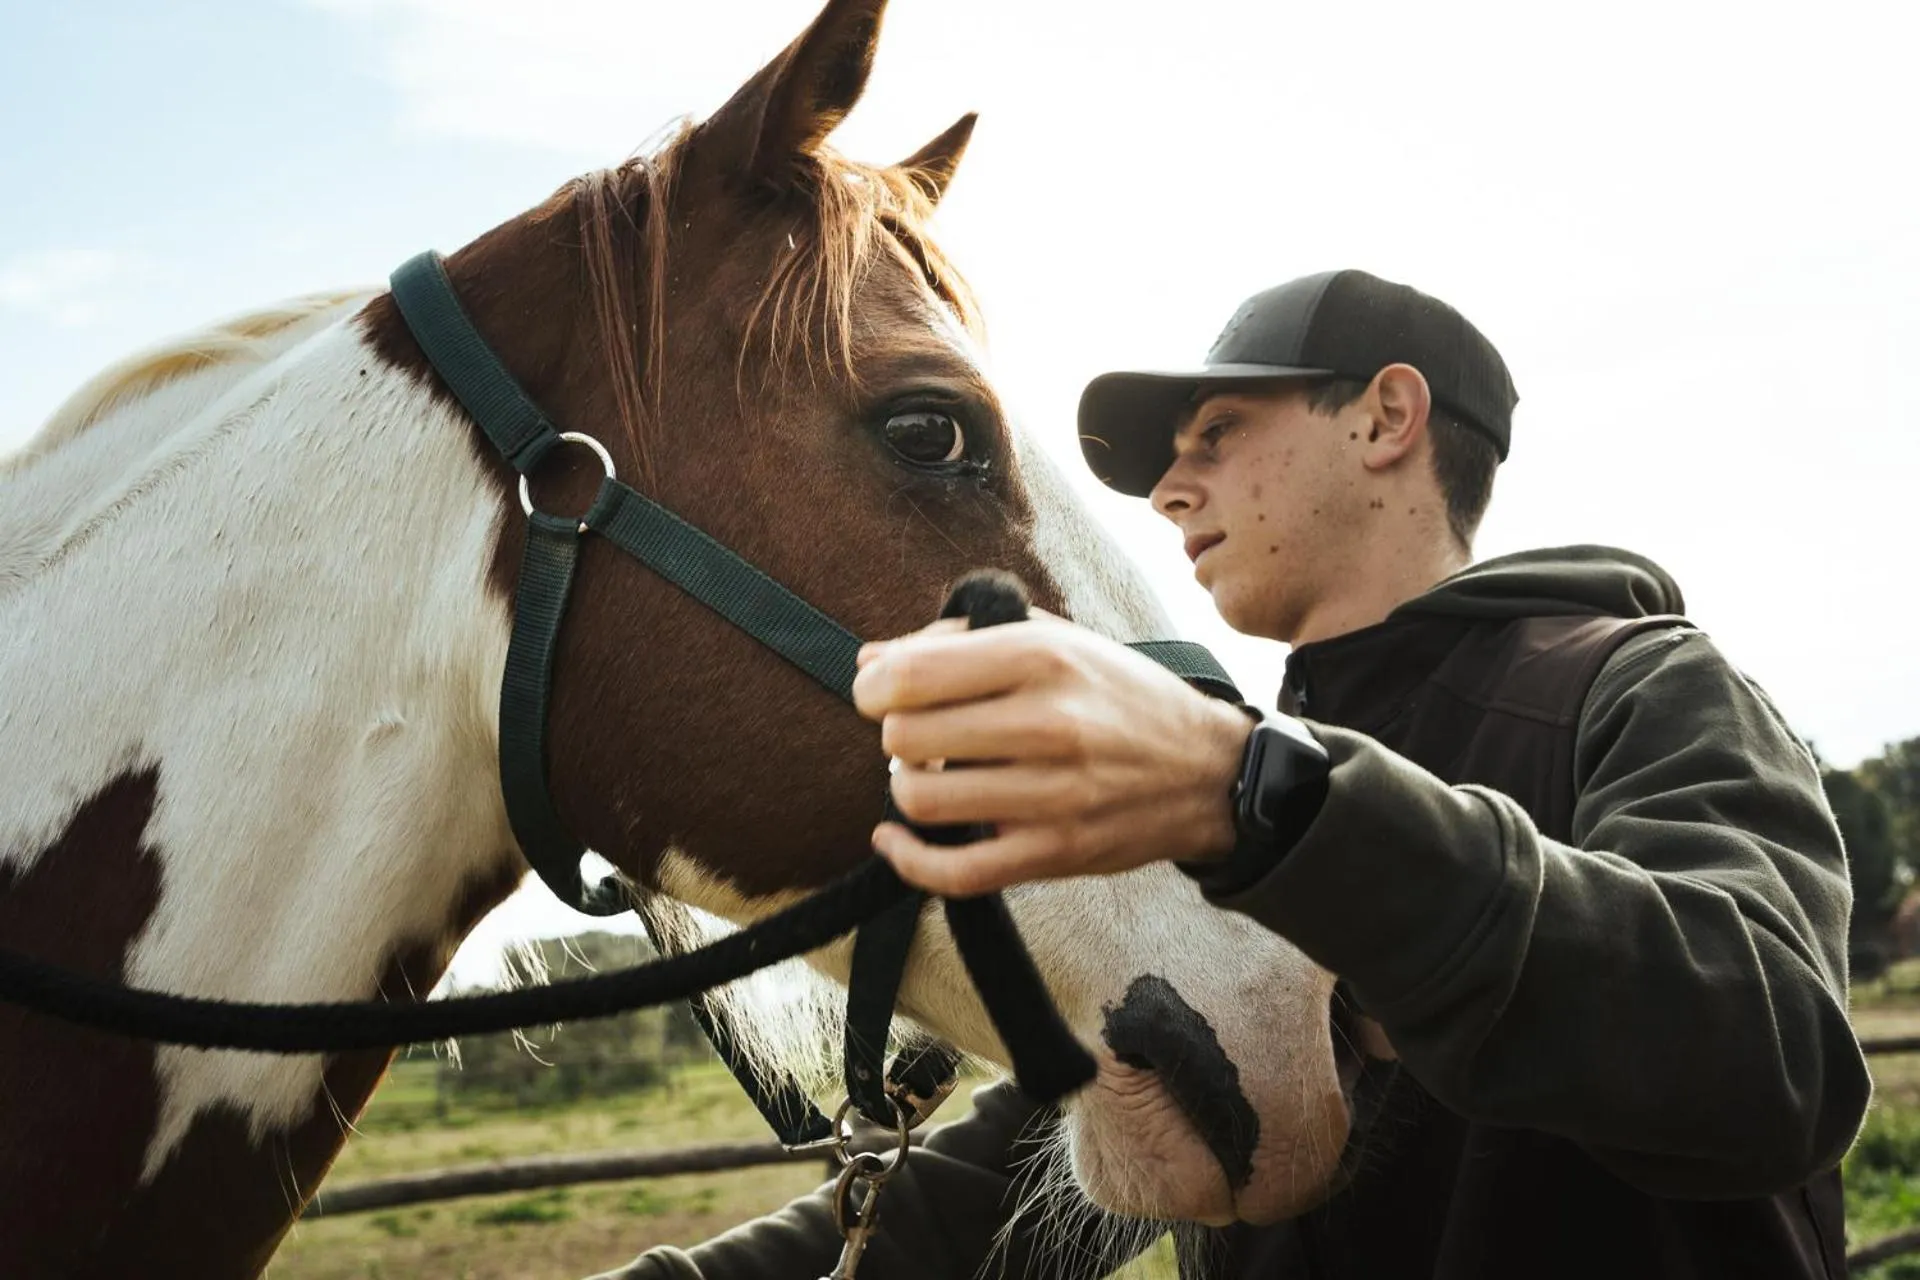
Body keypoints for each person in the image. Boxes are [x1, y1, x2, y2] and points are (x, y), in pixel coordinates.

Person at [599, 270, 1868, 1280]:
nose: (1167, 488)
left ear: (1385, 418)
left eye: (1215, 432)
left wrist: (1261, 798)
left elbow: (1773, 1060)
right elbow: (1054, 1138)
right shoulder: (1226, 770)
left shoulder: (1642, 686)